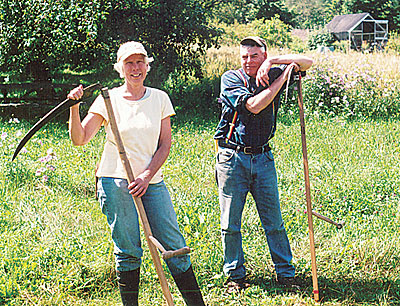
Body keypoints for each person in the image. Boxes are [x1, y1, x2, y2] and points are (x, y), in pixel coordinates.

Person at [68, 41, 205, 306]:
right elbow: (80, 138)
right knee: (129, 250)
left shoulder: (159, 98)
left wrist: (146, 175)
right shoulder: (107, 99)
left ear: (147, 66)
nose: (135, 68)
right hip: (115, 181)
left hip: (150, 181)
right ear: (120, 68)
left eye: (140, 61)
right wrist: (74, 106)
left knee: (174, 245)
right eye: (129, 63)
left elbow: (165, 144)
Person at [214, 36, 313, 292]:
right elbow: (255, 106)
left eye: (254, 56)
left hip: (263, 158)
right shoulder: (231, 79)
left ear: (264, 56)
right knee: (230, 223)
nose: (248, 61)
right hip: (232, 158)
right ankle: (235, 276)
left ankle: (286, 275)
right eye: (244, 56)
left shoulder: (272, 68)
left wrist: (275, 62)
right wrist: (282, 78)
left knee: (274, 222)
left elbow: (308, 62)